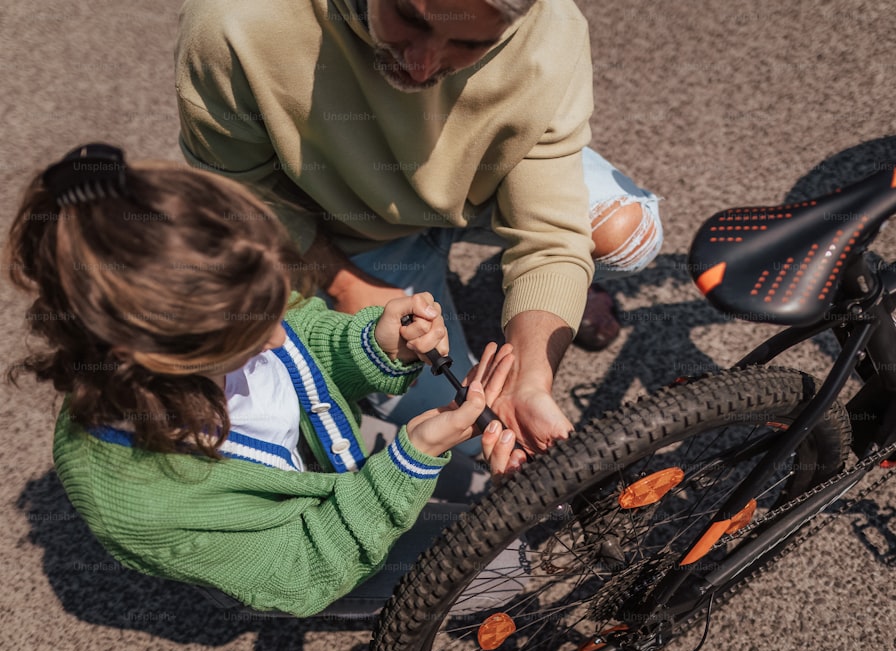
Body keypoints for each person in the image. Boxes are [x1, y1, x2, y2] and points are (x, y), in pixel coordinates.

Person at [5, 143, 522, 617]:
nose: (279, 339)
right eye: (251, 336)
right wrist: (404, 465)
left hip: (318, 456)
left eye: (277, 300)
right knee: (510, 565)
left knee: (459, 483)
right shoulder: (137, 498)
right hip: (306, 556)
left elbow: (300, 332)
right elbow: (299, 570)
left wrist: (373, 343)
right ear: (155, 354)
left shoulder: (219, 307)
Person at [174, 0, 664, 455]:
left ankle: (527, 297)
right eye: (410, 17)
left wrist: (531, 373)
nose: (422, 64)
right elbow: (235, 195)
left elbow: (550, 232)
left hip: (477, 188)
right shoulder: (236, 20)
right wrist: (346, 284)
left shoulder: (552, 30)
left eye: (469, 44)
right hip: (340, 232)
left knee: (629, 235)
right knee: (465, 436)